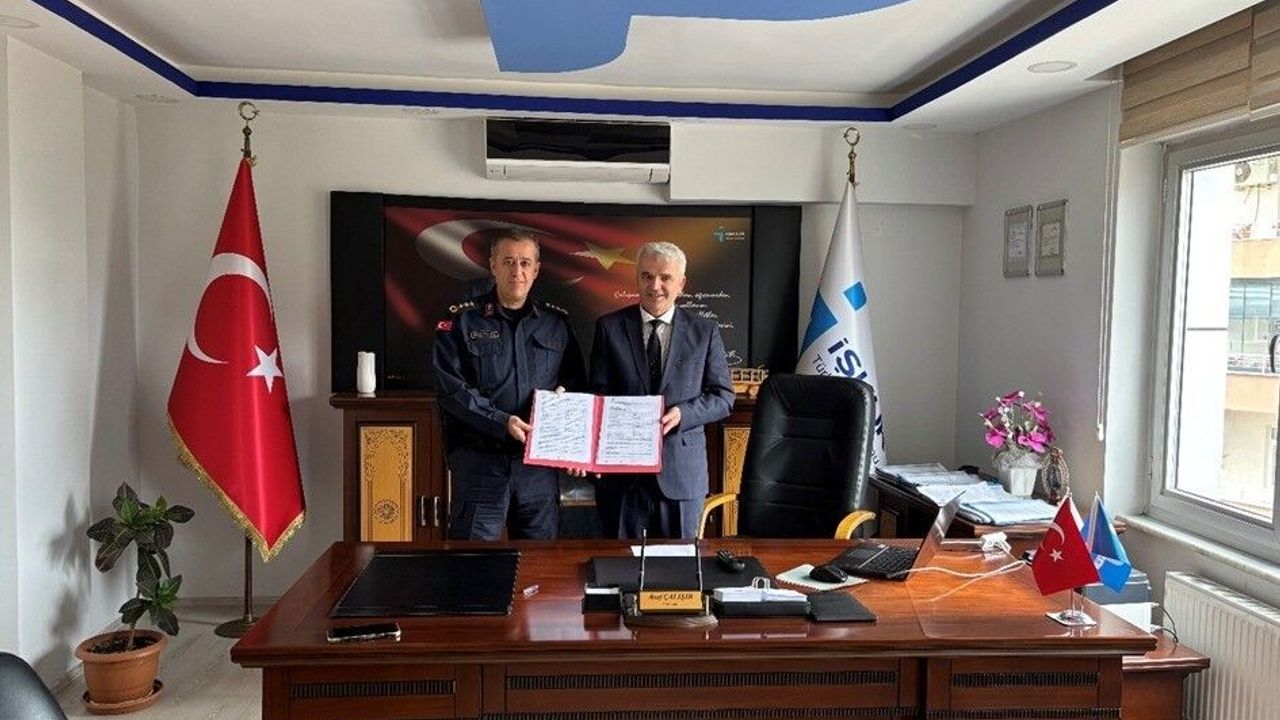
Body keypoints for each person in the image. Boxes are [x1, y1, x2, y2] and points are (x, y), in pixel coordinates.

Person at [433, 229, 586, 540]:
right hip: (481, 465)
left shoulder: (556, 324)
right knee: (473, 561)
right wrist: (502, 422)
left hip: (538, 470)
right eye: (509, 262)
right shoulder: (462, 321)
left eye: (525, 263)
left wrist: (565, 402)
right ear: (493, 266)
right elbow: (452, 391)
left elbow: (575, 382)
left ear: (536, 269)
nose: (518, 271)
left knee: (538, 563)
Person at [589, 241, 735, 539]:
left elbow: (723, 397)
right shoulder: (609, 328)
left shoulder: (705, 331)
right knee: (620, 563)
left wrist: (684, 414)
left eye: (665, 277)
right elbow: (597, 398)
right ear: (637, 279)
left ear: (681, 283)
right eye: (646, 276)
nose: (655, 286)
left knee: (680, 563)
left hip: (682, 477)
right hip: (622, 477)